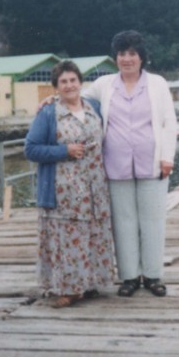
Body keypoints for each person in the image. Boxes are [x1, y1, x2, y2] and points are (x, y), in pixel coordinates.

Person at [83, 30, 177, 297]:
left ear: (141, 57)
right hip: (115, 165)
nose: (127, 59)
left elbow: (169, 122)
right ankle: (129, 277)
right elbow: (77, 100)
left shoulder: (158, 83)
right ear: (115, 58)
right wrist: (50, 99)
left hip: (153, 163)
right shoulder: (104, 84)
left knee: (153, 220)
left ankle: (153, 275)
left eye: (132, 53)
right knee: (123, 222)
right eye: (122, 53)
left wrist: (167, 156)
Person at [25, 60, 115, 308]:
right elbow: (30, 149)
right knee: (67, 241)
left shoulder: (94, 107)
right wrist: (64, 150)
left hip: (95, 190)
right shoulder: (48, 113)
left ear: (80, 82)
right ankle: (69, 289)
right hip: (63, 193)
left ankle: (89, 285)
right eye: (63, 82)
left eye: (73, 80)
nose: (69, 85)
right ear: (55, 87)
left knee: (93, 236)